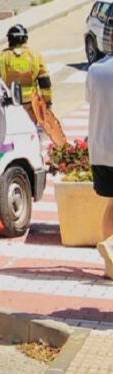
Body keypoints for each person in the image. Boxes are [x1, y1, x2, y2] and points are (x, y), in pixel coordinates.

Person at [0, 24, 66, 146]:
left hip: (11, 105)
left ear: (9, 40)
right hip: (31, 106)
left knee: (14, 135)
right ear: (25, 39)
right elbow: (45, 82)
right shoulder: (35, 56)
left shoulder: (1, 58)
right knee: (31, 133)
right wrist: (47, 102)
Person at [85, 55, 113, 279]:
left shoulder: (95, 71)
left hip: (101, 150)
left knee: (112, 202)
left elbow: (90, 100)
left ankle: (110, 262)